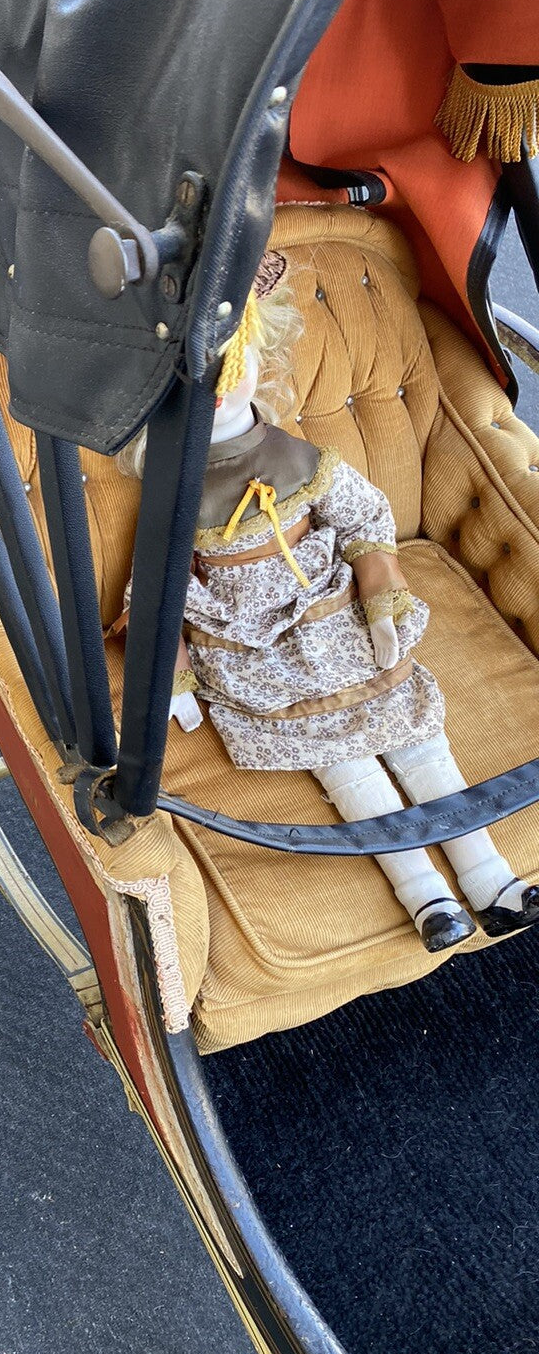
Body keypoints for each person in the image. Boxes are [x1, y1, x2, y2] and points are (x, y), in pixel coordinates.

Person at [117, 251, 539, 952]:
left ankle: (490, 877)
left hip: (337, 622)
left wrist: (380, 591)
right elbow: (155, 587)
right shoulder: (173, 492)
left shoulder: (298, 460)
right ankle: (426, 896)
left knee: (420, 745)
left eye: (233, 357)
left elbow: (366, 520)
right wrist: (174, 672)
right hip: (259, 654)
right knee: (349, 774)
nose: (219, 384)